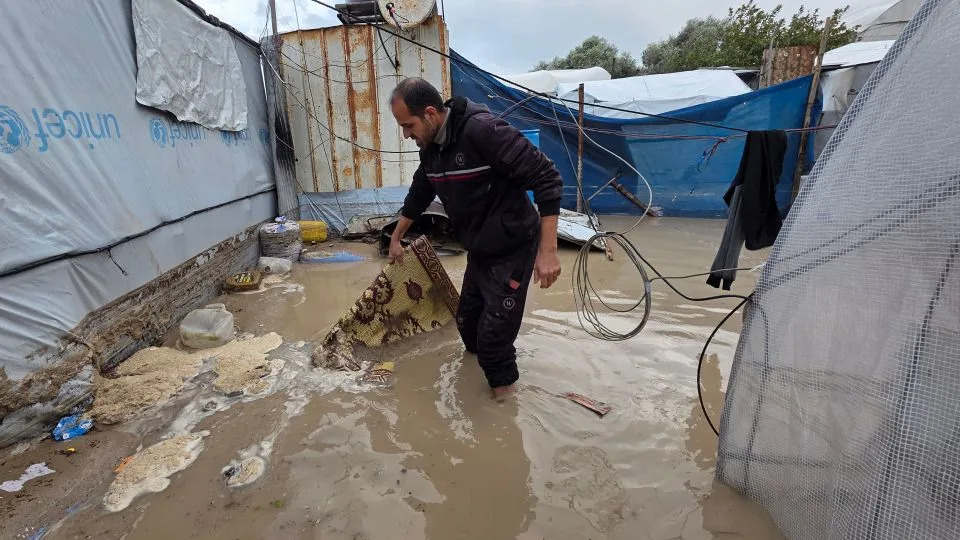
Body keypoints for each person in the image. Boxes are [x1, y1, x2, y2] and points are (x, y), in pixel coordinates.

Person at [387, 77, 564, 398]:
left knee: (493, 341)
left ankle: (503, 415)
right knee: (469, 326)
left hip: (513, 247)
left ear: (429, 114)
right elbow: (418, 194)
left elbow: (547, 177)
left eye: (408, 125)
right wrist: (396, 237)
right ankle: (474, 381)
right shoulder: (431, 151)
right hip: (479, 249)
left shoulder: (483, 131)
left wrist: (548, 251)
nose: (406, 135)